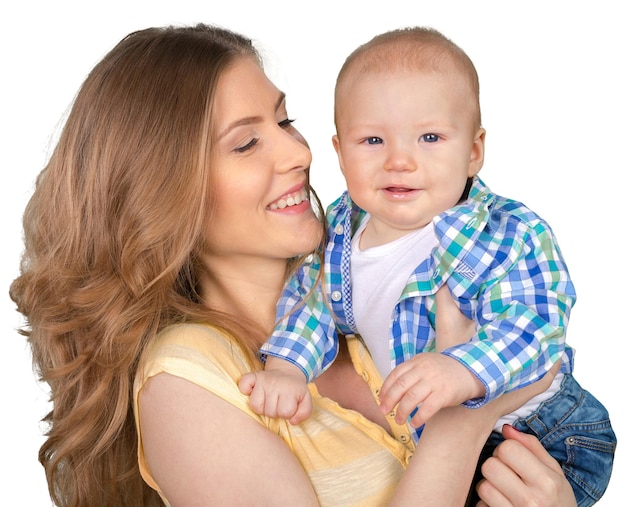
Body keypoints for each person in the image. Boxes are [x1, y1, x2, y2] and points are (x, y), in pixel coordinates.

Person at [10, 23, 577, 506]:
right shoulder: (187, 382)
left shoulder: (355, 290)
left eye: (284, 122)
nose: (300, 153)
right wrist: (464, 420)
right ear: (163, 192)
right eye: (245, 144)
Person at [243, 26, 617, 506]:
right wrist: (287, 368)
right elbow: (311, 306)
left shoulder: (508, 232)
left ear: (474, 152)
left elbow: (535, 327)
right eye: (373, 140)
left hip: (541, 432)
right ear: (339, 154)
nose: (400, 160)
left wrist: (460, 370)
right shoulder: (336, 230)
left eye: (430, 137)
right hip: (435, 444)